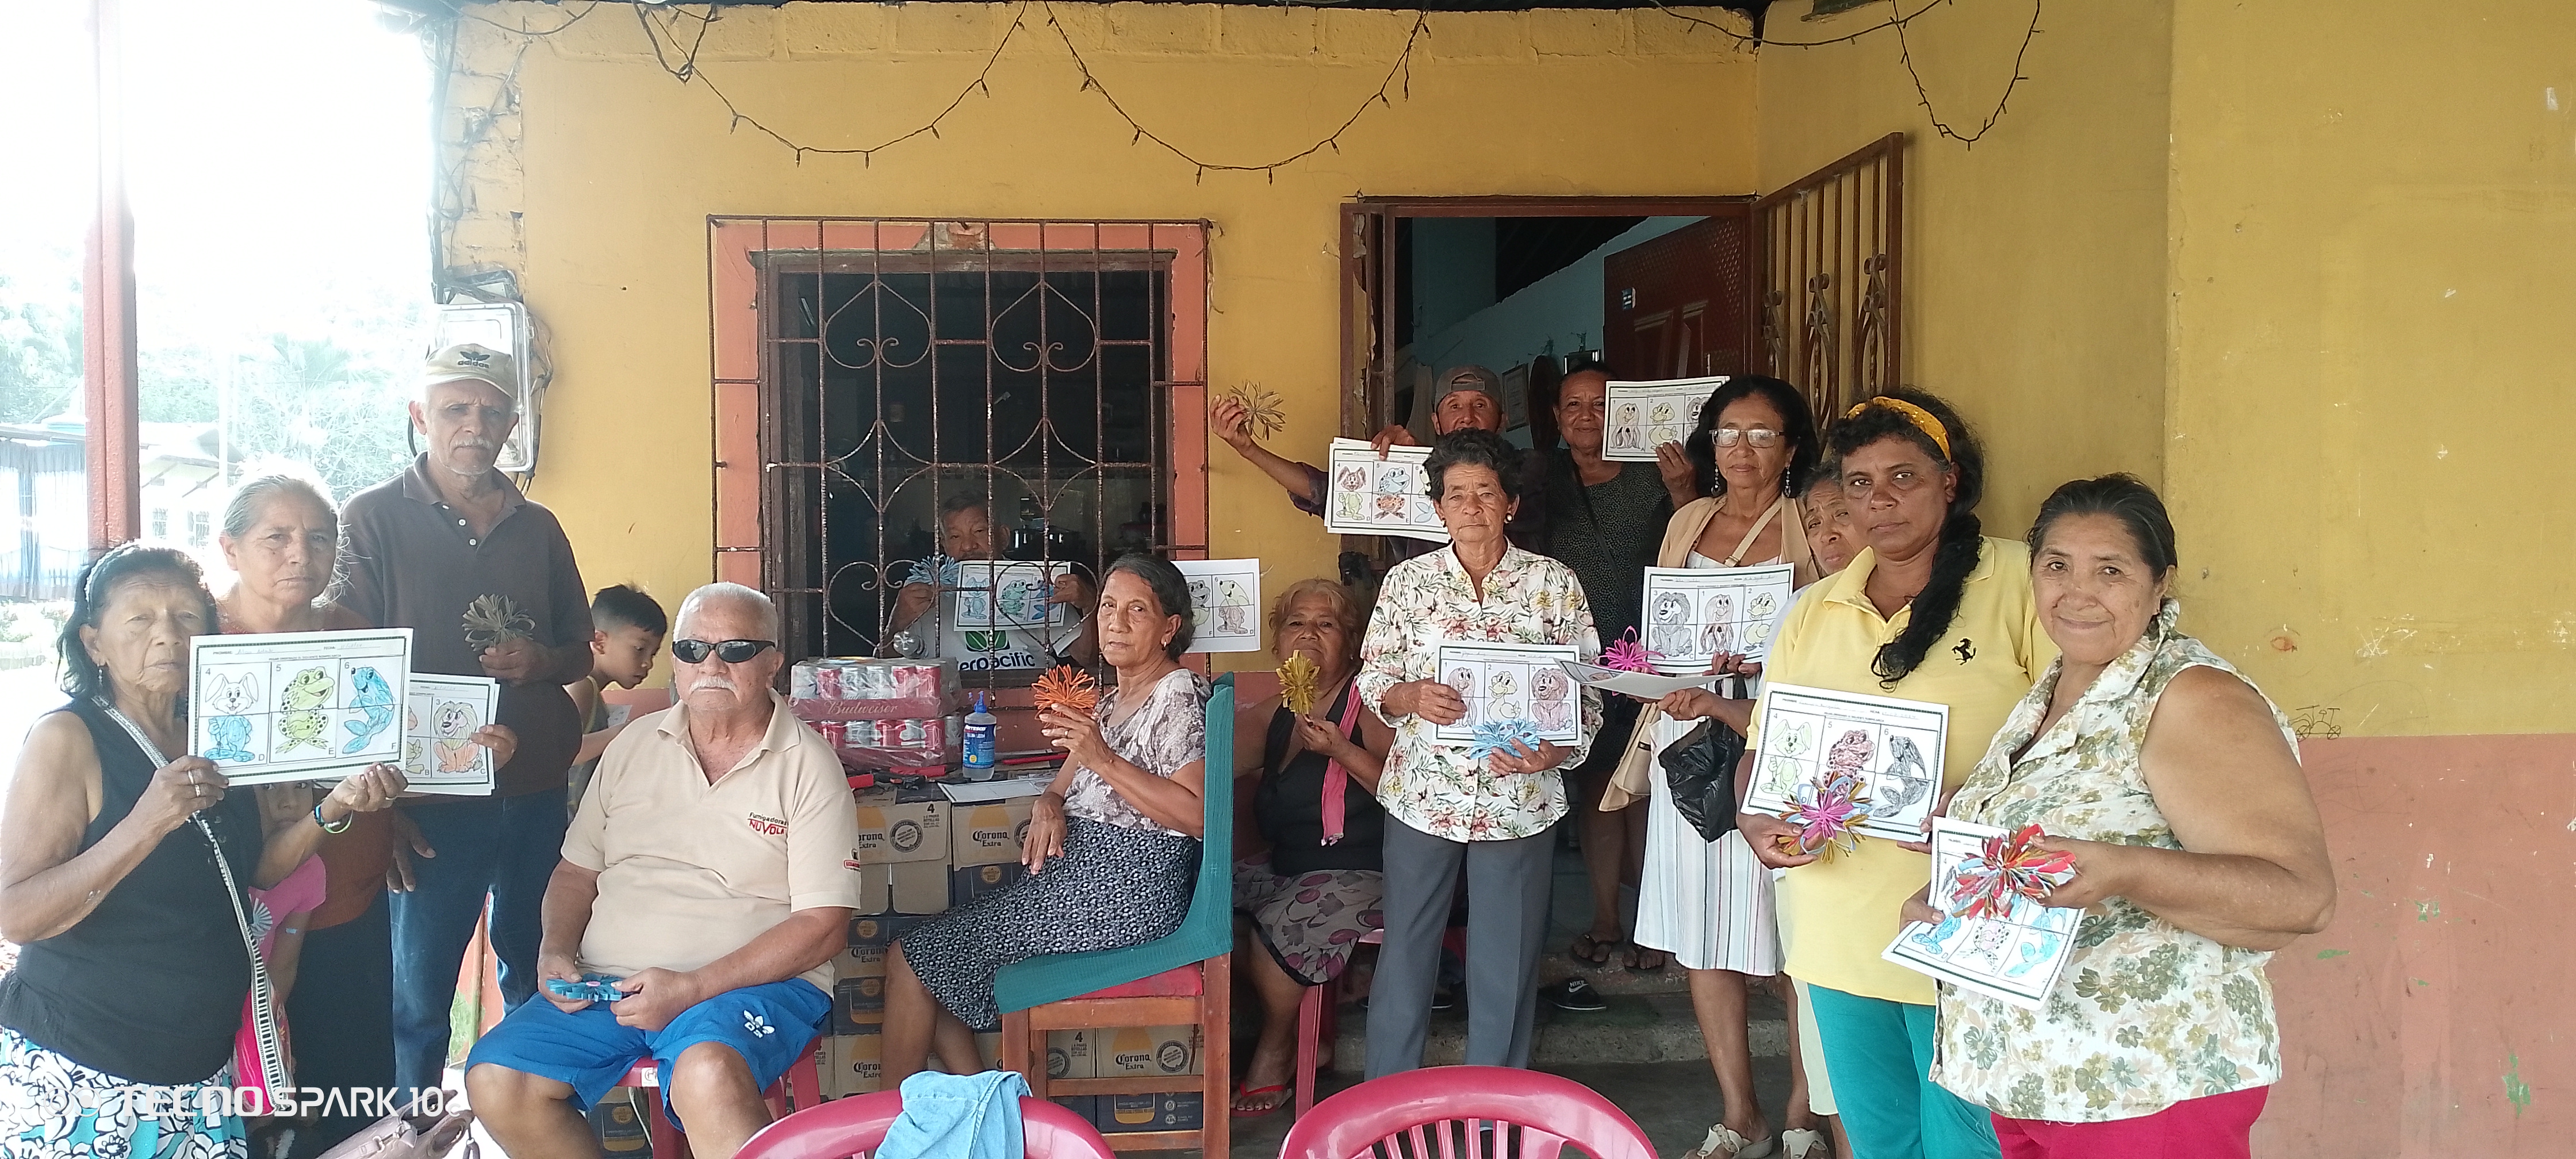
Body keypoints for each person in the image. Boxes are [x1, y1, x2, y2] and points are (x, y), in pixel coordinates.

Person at [1920, 477, 2333, 1158]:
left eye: (2109, 571)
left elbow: (2301, 897)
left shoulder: (2191, 696)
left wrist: (2123, 871)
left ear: (2160, 583)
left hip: (2144, 1085)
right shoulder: (2060, 688)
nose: (2077, 593)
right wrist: (1954, 899)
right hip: (2033, 1074)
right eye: (2057, 566)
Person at [0, 546, 405, 1159]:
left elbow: (253, 871)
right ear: (94, 643)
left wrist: (335, 808)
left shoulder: (217, 733)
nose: (167, 634)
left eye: (187, 616)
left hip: (199, 1077)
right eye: (140, 618)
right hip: (82, 1073)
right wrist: (146, 822)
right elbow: (17, 913)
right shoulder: (69, 737)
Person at [1736, 389, 2057, 1159]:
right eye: (1859, 482)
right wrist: (1754, 814)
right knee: (1881, 1141)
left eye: (1902, 477)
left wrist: (1980, 803)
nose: (1878, 500)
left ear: (1950, 480)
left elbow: (2077, 735)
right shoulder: (1817, 609)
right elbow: (1764, 749)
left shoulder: (2020, 582)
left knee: (1968, 1145)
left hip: (1964, 927)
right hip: (1836, 930)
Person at [465, 584, 862, 1159]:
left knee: (707, 1074)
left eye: (736, 650)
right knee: (499, 1081)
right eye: (692, 649)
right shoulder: (633, 746)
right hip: (610, 983)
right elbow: (575, 874)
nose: (711, 666)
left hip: (750, 988)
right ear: (675, 661)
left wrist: (692, 988)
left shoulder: (809, 766)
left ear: (773, 662)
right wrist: (554, 953)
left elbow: (824, 927)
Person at [213, 474, 516, 1157]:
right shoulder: (202, 637)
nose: (301, 554)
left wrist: (469, 750)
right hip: (232, 922)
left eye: (320, 538)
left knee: (351, 1098)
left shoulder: (354, 634)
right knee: (252, 1106)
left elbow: (394, 743)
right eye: (277, 538)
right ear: (230, 548)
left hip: (348, 904)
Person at [343, 342, 599, 1100]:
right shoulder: (372, 520)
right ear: (420, 416)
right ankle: (411, 1131)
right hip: (425, 802)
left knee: (537, 973)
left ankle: (530, 1120)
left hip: (533, 791)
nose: (474, 426)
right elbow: (352, 673)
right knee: (419, 997)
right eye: (455, 409)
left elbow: (579, 648)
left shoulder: (539, 527)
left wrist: (540, 660)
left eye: (492, 412)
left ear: (513, 424)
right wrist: (381, 811)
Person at [885, 554, 1211, 1079]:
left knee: (911, 960)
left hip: (1123, 892)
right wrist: (1048, 805)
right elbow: (1060, 786)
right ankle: (984, 1109)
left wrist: (1102, 758)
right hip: (1079, 881)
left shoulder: (1177, 693)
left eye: (1137, 611)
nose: (1116, 622)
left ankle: (890, 1123)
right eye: (1108, 607)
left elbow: (1197, 816)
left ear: (1169, 629)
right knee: (929, 965)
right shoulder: (1113, 700)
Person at [1356, 428, 1603, 1079]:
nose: (1471, 506)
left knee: (1506, 959)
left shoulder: (1553, 584)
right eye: (1456, 494)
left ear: (1510, 503)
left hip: (1520, 797)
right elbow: (1373, 679)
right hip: (1424, 792)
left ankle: (1495, 1107)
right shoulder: (1407, 583)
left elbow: (1587, 692)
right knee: (1406, 950)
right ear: (1438, 508)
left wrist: (1553, 752)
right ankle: (1389, 1098)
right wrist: (1409, 695)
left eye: (1486, 492)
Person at [1632, 376, 1827, 1158]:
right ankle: (1740, 1113)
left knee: (1795, 935)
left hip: (1779, 744)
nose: (1742, 450)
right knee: (1704, 928)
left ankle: (1804, 1112)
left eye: (1761, 434)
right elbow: (1664, 626)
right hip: (1691, 742)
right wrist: (1659, 670)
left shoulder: (1813, 523)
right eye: (1727, 433)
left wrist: (1760, 663)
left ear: (1791, 447)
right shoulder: (1687, 520)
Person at [1499, 369, 1697, 992]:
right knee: (1595, 787)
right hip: (1570, 659)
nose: (1587, 416)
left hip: (1651, 653)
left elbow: (1699, 546)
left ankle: (1648, 925)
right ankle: (1607, 917)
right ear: (1557, 418)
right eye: (1574, 405)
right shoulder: (1539, 478)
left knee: (1643, 788)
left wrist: (1684, 490)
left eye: (1601, 404)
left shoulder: (1654, 475)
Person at [1227, 579, 1394, 1118]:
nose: (1308, 635)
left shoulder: (1369, 705)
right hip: (1290, 865)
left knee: (1283, 922)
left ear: (1351, 642)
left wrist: (1342, 750)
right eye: (1296, 624)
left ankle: (1276, 1050)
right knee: (1207, 909)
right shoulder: (1276, 712)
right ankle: (1310, 1028)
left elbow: (1408, 790)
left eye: (1326, 625)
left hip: (1368, 870)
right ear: (1279, 641)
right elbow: (1207, 766)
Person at [1211, 366, 1543, 572]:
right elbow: (1325, 492)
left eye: (1480, 405)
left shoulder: (1529, 468)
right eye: (1454, 406)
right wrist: (1248, 449)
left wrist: (1421, 460)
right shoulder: (1407, 471)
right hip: (1426, 613)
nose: (1467, 417)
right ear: (1436, 422)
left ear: (1503, 420)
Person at [881, 494, 1096, 671]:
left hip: (1029, 696)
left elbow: (1087, 658)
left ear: (1003, 536)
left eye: (979, 532)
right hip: (950, 699)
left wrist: (1089, 604)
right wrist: (898, 621)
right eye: (955, 537)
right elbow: (886, 665)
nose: (968, 546)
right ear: (944, 544)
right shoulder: (922, 589)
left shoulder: (1035, 581)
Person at [566, 584, 669, 813]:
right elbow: (563, 752)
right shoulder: (581, 686)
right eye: (639, 649)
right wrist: (623, 733)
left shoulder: (594, 692)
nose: (648, 663)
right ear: (599, 642)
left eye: (653, 654)